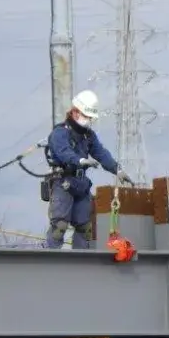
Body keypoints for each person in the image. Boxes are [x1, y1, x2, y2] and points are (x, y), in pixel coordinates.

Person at [43, 89, 133, 249]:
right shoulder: (60, 133)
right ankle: (49, 259)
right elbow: (63, 152)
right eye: (86, 116)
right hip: (63, 182)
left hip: (81, 184)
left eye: (90, 117)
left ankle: (81, 260)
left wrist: (117, 169)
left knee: (85, 228)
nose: (88, 120)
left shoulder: (88, 136)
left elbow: (101, 153)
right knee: (60, 227)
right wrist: (80, 160)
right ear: (75, 112)